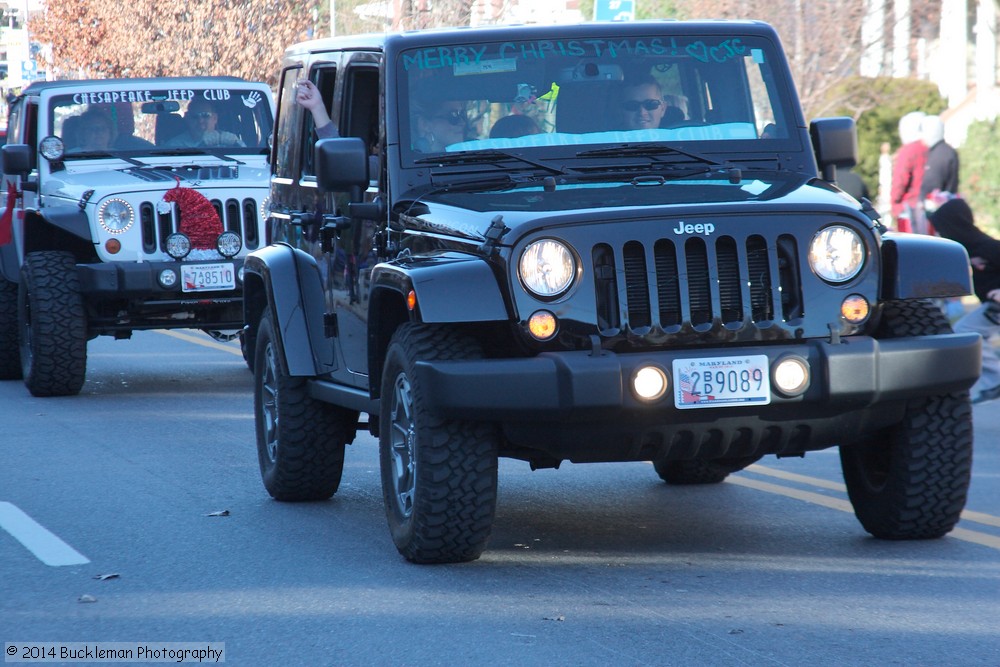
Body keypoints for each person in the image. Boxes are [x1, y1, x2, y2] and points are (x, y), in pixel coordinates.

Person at [928, 197, 1000, 403]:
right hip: (992, 308)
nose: (940, 234)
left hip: (995, 306)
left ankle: (995, 380)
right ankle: (994, 381)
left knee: (965, 330)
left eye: (942, 229)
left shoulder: (987, 246)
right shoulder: (973, 249)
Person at [890, 110, 927, 233]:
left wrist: (894, 203)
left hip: (911, 208)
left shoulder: (908, 151)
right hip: (931, 204)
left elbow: (900, 180)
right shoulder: (931, 148)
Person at [164, 98, 244, 148]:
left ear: (215, 118)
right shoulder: (174, 146)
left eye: (205, 115)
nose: (200, 121)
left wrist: (234, 142)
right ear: (187, 119)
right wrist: (202, 144)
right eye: (194, 117)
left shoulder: (230, 140)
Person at [920, 115, 960, 205]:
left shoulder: (938, 155)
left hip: (937, 207)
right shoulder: (949, 151)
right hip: (948, 204)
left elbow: (932, 187)